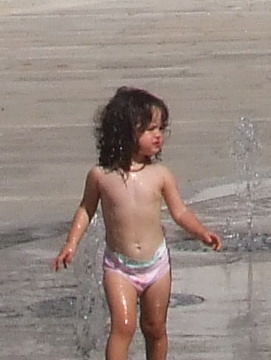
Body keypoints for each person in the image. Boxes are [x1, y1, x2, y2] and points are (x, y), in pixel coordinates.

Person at [53, 85, 222, 360]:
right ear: (124, 132)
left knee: (155, 328)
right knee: (124, 326)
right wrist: (71, 244)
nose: (159, 135)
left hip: (157, 264)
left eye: (162, 128)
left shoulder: (160, 175)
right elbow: (86, 209)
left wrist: (201, 232)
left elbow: (179, 212)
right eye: (150, 129)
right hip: (119, 267)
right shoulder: (101, 176)